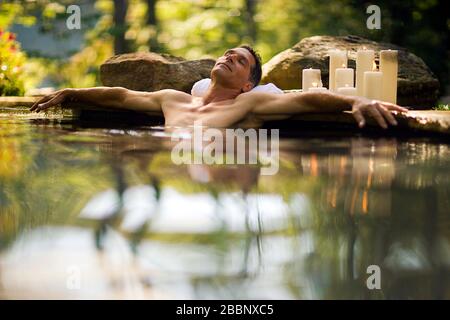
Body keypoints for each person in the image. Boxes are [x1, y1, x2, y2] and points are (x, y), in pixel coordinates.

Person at [30, 45, 407, 128]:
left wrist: (356, 101)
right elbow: (123, 96)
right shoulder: (173, 100)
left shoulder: (246, 107)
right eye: (228, 53)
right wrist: (72, 92)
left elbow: (308, 99)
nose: (229, 56)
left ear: (247, 85)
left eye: (240, 60)